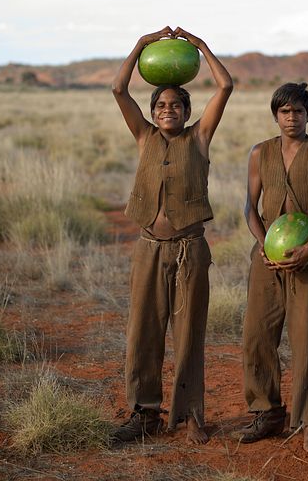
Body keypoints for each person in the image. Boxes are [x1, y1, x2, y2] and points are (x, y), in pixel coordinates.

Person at [111, 25, 233, 445]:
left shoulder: (199, 138)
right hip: (148, 250)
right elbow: (118, 90)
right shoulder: (144, 137)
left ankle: (190, 415)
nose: (168, 110)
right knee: (143, 331)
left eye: (176, 104)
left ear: (186, 109)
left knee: (188, 334)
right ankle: (143, 413)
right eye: (161, 105)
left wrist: (200, 47)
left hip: (190, 251)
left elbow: (226, 85)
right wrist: (141, 45)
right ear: (154, 110)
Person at [234, 82, 308, 452]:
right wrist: (263, 246)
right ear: (275, 115)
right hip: (266, 259)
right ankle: (266, 411)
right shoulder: (260, 153)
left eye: (298, 111)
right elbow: (250, 207)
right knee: (257, 334)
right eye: (284, 111)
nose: (291, 117)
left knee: (307, 337)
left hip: (306, 258)